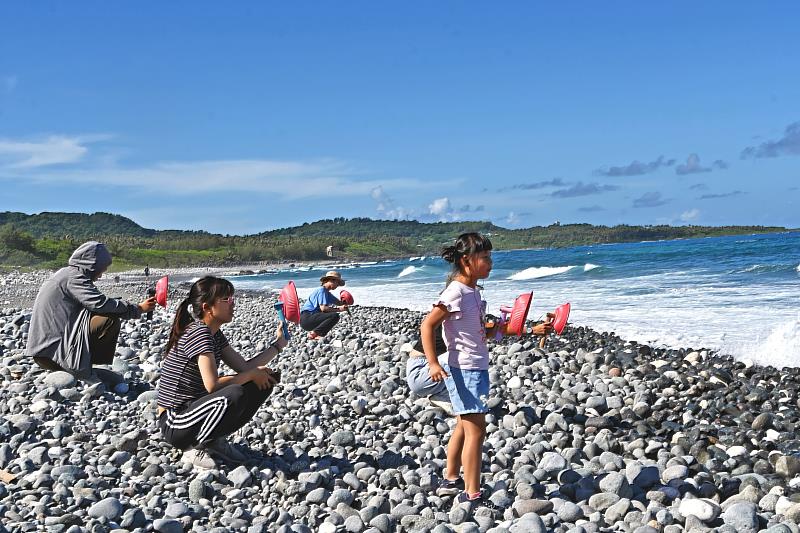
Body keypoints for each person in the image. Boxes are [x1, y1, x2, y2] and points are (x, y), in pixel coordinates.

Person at [156, 276, 288, 469]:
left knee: (264, 383)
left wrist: (278, 345)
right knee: (235, 393)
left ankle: (213, 440)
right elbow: (213, 385)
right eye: (226, 300)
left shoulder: (214, 333)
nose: (232, 304)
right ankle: (194, 447)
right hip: (175, 420)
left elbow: (243, 367)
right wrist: (251, 375)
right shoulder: (199, 332)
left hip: (194, 411)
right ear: (207, 307)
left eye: (232, 299)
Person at [418, 233, 508, 510]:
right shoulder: (455, 292)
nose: (491, 263)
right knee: (476, 430)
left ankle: (451, 477)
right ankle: (473, 494)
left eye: (490, 257)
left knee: (464, 424)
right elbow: (427, 325)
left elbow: (477, 331)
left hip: (475, 365)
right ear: (467, 260)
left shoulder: (473, 292)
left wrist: (502, 328)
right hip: (463, 368)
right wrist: (433, 363)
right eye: (485, 258)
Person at [27, 241, 157, 378]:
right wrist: (138, 309)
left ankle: (81, 364)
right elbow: (99, 304)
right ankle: (78, 368)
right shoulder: (74, 277)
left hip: (43, 351)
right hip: (51, 355)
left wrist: (131, 308)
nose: (101, 275)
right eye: (102, 269)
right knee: (109, 320)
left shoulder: (67, 274)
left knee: (106, 313)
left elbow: (95, 302)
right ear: (92, 265)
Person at [299, 270, 350, 340]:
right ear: (331, 280)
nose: (338, 285)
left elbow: (339, 303)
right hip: (307, 318)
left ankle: (317, 335)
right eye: (337, 283)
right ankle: (314, 333)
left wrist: (345, 301)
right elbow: (323, 308)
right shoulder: (321, 290)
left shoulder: (327, 294)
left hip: (309, 320)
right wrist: (340, 309)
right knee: (334, 316)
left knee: (333, 316)